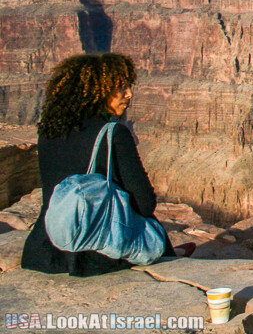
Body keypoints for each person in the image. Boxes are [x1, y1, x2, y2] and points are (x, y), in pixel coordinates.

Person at [20, 53, 189, 275]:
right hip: (94, 254)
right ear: (95, 92)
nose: (129, 94)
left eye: (128, 86)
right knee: (152, 230)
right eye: (120, 88)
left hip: (46, 249)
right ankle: (172, 257)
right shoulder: (112, 134)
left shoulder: (48, 131)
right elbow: (145, 204)